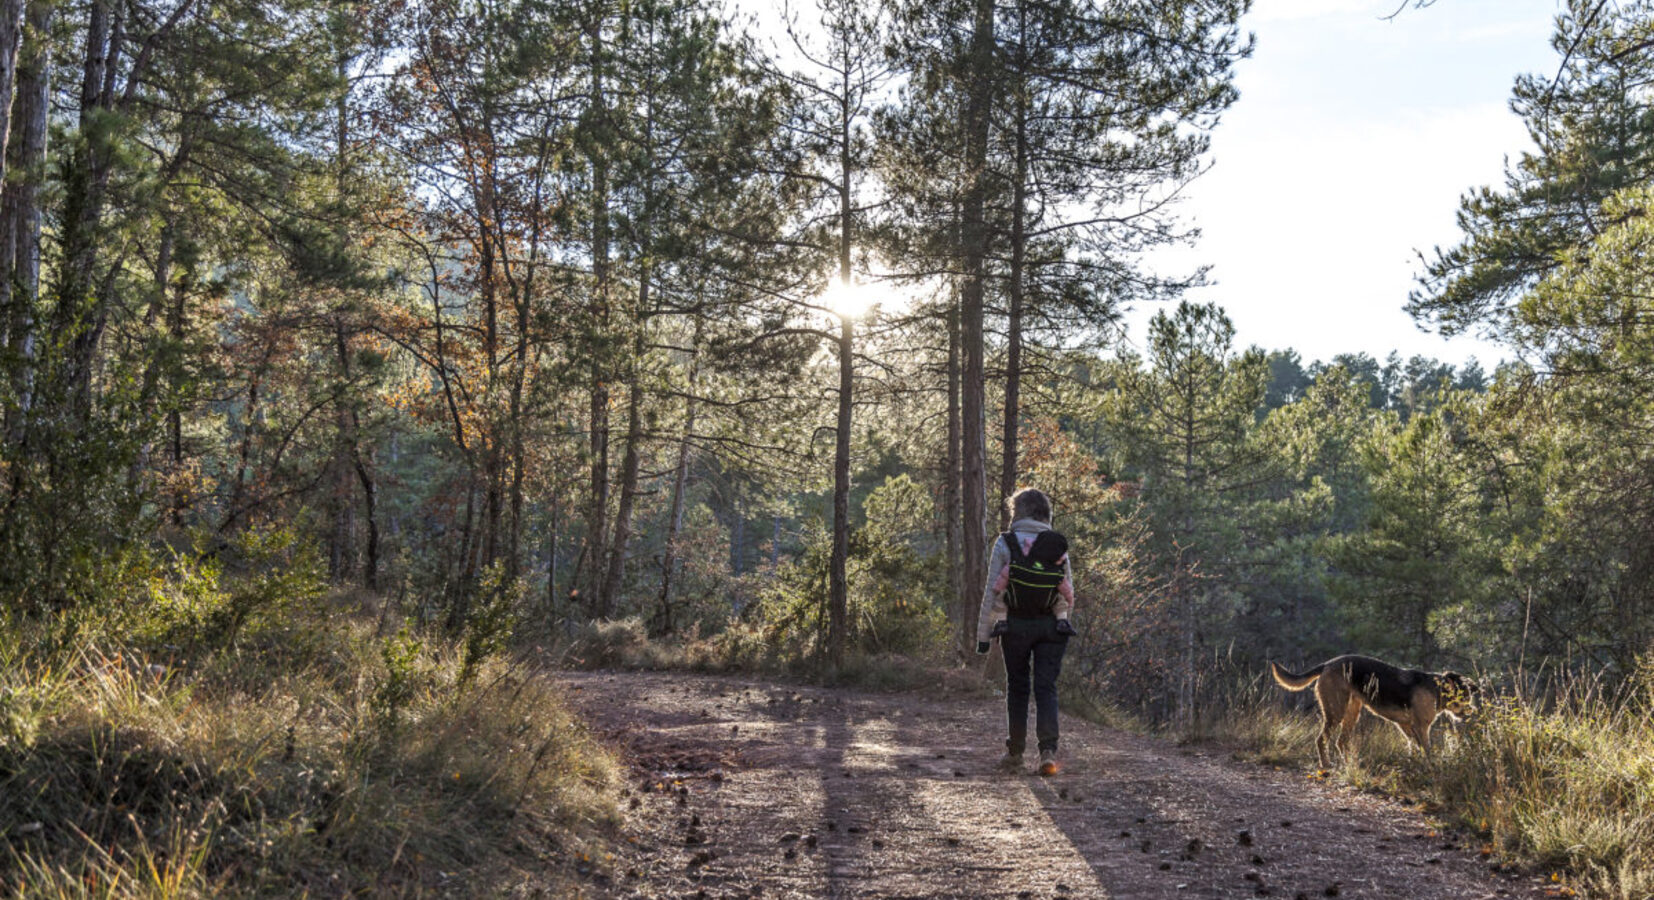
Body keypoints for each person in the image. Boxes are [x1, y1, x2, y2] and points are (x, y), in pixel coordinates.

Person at [976, 487, 1075, 776]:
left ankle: (1015, 752)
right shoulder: (1055, 543)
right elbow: (1068, 593)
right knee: (1046, 687)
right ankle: (1048, 752)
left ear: (1016, 512)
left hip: (1015, 625)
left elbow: (991, 592)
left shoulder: (1006, 542)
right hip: (1051, 627)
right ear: (1046, 513)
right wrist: (1062, 619)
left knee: (1018, 686)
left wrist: (983, 637)